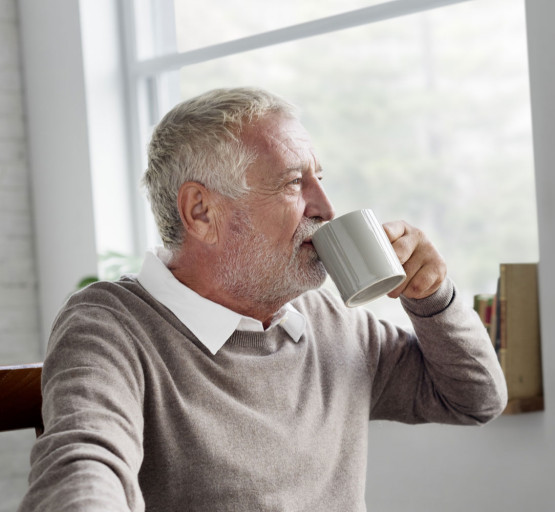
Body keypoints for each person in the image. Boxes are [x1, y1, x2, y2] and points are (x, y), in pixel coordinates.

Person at [19, 87, 507, 512]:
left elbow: (474, 399)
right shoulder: (112, 325)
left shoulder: (325, 320)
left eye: (320, 178)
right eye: (295, 183)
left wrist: (432, 297)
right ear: (201, 211)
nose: (326, 207)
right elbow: (82, 467)